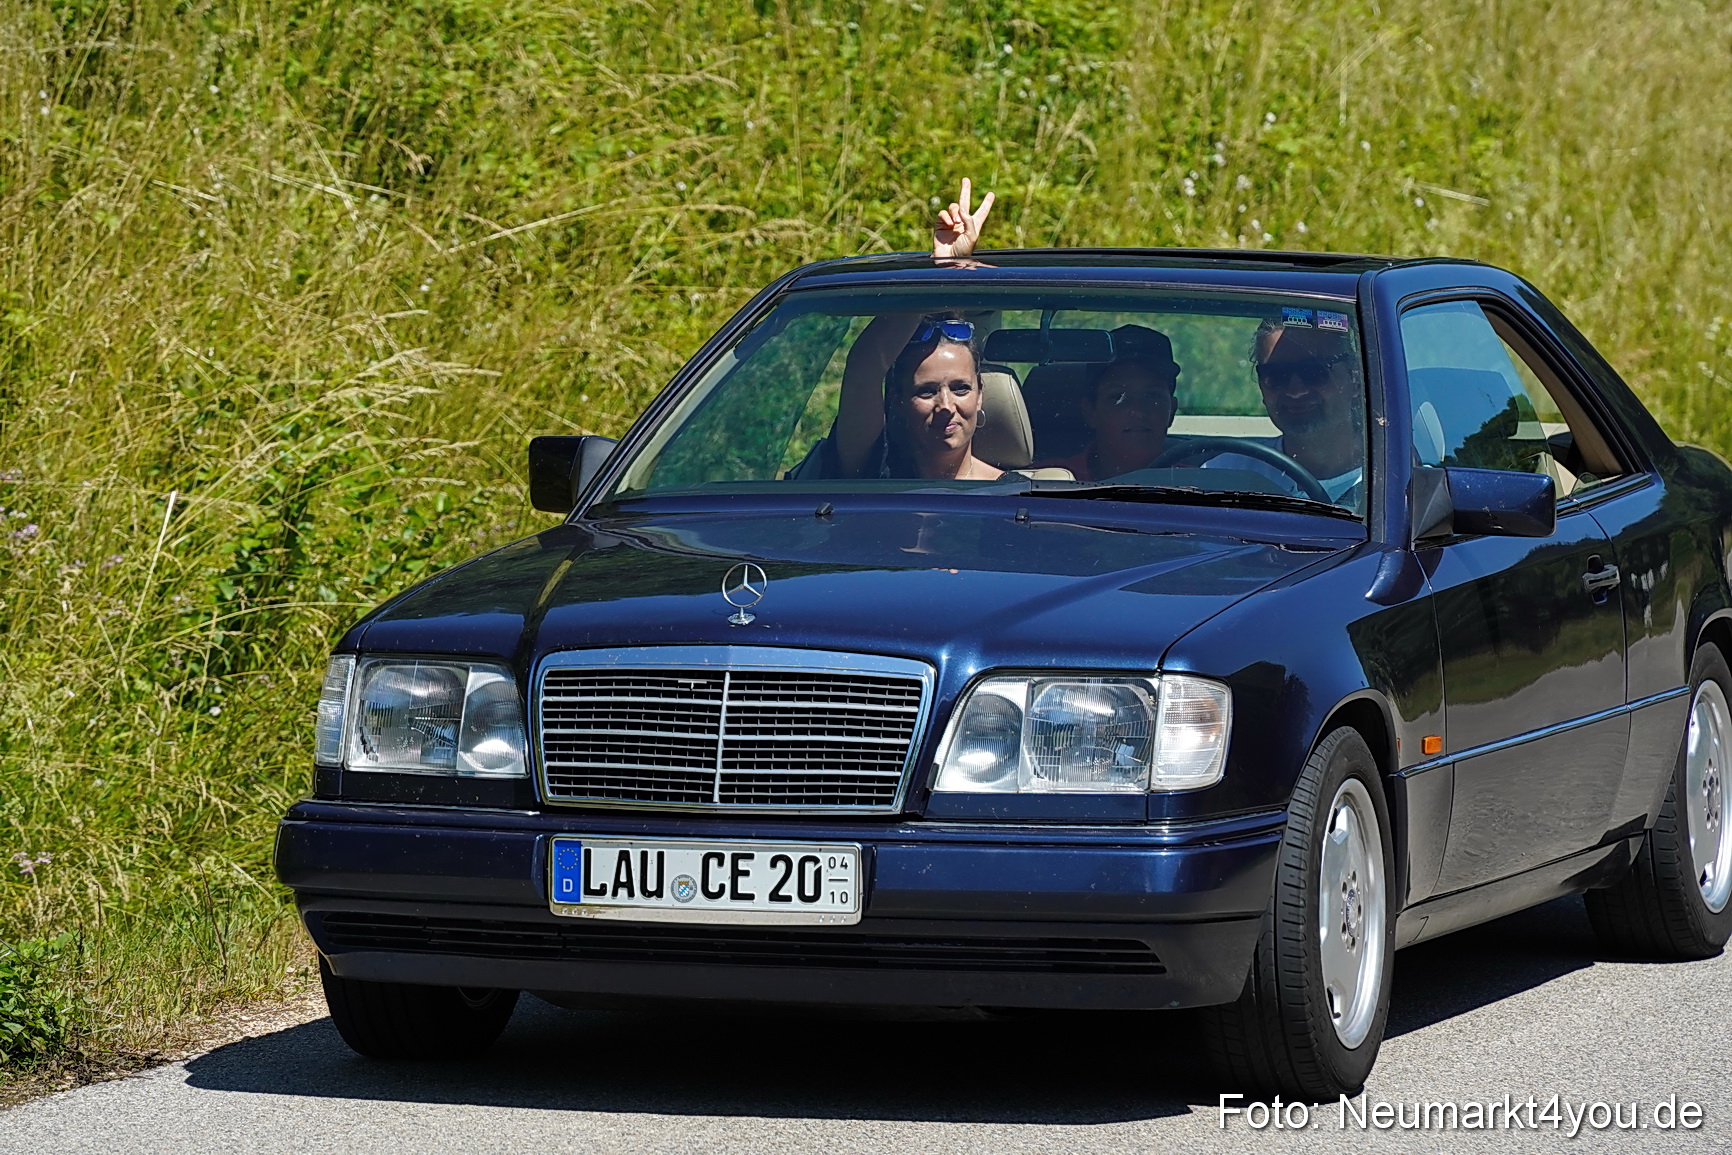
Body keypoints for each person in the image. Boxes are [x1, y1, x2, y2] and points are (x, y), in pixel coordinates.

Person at [807, 179, 1004, 481]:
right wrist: (942, 272)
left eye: (961, 388)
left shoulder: (1019, 496)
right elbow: (865, 366)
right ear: (898, 401)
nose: (946, 406)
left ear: (980, 396)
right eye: (926, 391)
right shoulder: (874, 475)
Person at [1205, 311, 1365, 504]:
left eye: (1314, 371)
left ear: (1356, 379)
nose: (1295, 391)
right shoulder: (1225, 475)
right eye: (1276, 375)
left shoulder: (1393, 481)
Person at [1034, 324, 1182, 481]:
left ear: (1171, 411)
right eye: (1117, 397)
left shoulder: (1200, 485)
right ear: (1090, 411)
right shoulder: (1037, 484)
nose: (1137, 412)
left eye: (1152, 396)